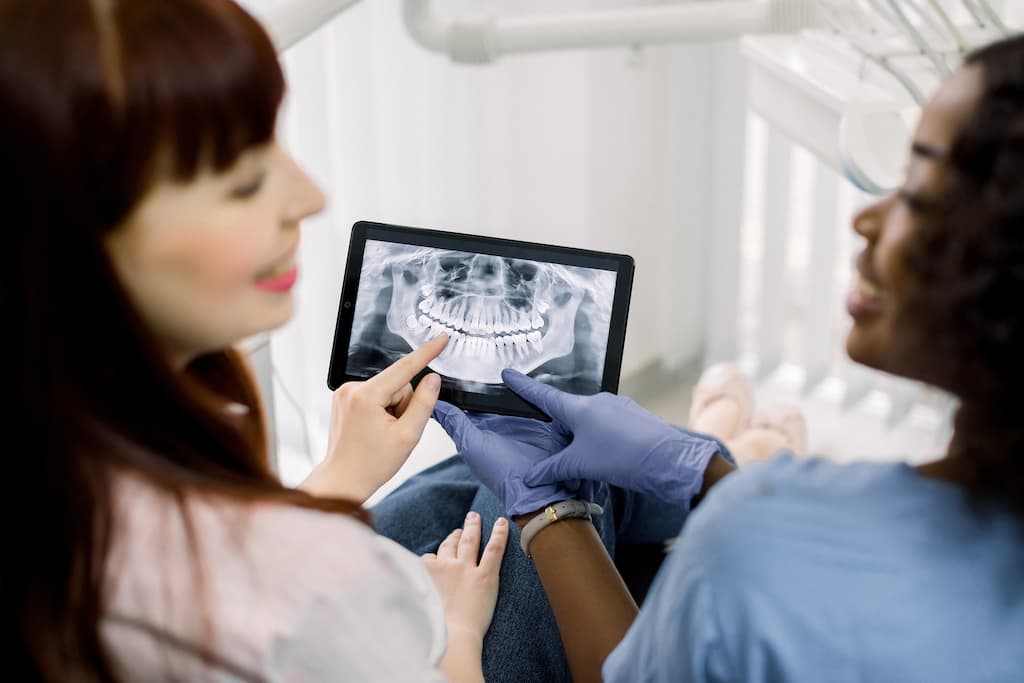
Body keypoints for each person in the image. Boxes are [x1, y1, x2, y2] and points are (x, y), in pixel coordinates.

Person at [429, 34, 1024, 682]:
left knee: (453, 498)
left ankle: (741, 432)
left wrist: (542, 507)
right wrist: (707, 474)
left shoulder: (752, 541)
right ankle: (737, 435)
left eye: (915, 191)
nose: (866, 220)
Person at [3, 1, 512, 680]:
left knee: (477, 476)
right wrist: (455, 633)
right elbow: (287, 603)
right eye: (242, 182)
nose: (310, 198)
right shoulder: (306, 591)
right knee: (540, 485)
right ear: (63, 245)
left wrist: (335, 482)